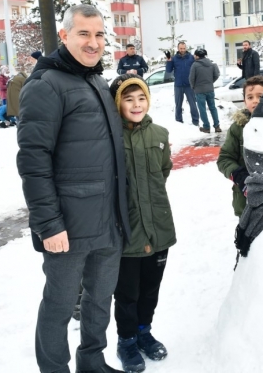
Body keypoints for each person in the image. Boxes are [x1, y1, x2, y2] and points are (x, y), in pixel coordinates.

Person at [16, 4, 130, 373]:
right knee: (60, 305)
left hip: (108, 220)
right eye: (84, 33)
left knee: (100, 300)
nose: (93, 42)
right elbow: (34, 161)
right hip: (69, 225)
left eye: (99, 35)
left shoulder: (95, 80)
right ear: (64, 36)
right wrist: (48, 224)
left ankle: (92, 361)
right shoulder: (46, 85)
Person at [108, 74, 175, 373]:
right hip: (127, 230)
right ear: (117, 103)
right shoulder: (108, 138)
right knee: (126, 293)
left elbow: (164, 171)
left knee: (151, 289)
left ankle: (144, 332)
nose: (136, 105)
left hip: (158, 226)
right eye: (128, 99)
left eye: (141, 98)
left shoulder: (160, 134)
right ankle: (126, 340)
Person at [216, 75, 263, 218]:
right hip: (246, 201)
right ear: (244, 100)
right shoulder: (238, 128)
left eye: (260, 96)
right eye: (250, 97)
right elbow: (224, 159)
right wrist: (238, 175)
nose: (255, 101)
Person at [165, 41, 199, 125]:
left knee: (193, 104)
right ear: (178, 48)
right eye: (181, 48)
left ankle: (195, 121)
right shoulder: (174, 58)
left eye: (184, 48)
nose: (182, 50)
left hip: (189, 85)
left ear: (186, 48)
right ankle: (179, 121)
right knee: (178, 105)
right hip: (178, 85)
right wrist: (169, 61)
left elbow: (197, 69)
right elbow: (168, 70)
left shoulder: (191, 58)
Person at [189, 48, 221, 133]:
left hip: (199, 91)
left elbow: (191, 78)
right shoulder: (211, 63)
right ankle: (217, 126)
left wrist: (193, 87)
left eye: (195, 55)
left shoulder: (195, 65)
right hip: (210, 89)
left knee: (202, 109)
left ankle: (206, 127)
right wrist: (210, 82)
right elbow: (217, 74)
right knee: (213, 108)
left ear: (197, 56)